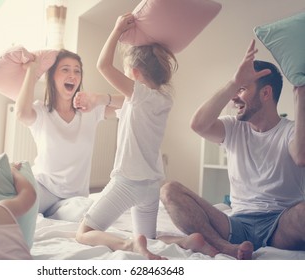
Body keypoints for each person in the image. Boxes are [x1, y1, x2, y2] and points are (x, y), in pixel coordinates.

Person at [75, 13, 218, 260]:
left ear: (135, 72)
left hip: (127, 182)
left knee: (85, 232)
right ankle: (187, 241)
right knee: (149, 238)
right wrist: (99, 99)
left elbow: (103, 66)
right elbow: (122, 102)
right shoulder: (163, 99)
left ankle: (128, 245)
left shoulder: (139, 95)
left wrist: (117, 30)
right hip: (151, 184)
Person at [160, 39, 305, 260]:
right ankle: (224, 247)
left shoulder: (291, 131)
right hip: (235, 225)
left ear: (266, 94)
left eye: (243, 89)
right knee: (169, 191)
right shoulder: (233, 127)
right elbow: (198, 125)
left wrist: (300, 95)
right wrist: (235, 81)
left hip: (280, 225)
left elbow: (301, 156)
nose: (234, 97)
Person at [15, 49, 123, 218]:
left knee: (88, 213)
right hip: (43, 187)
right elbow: (21, 113)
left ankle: (51, 213)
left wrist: (100, 98)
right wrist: (31, 70)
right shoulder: (41, 112)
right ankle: (45, 211)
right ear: (53, 77)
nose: (72, 75)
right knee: (14, 208)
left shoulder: (90, 111)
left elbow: (131, 102)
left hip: (75, 197)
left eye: (77, 71)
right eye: (65, 69)